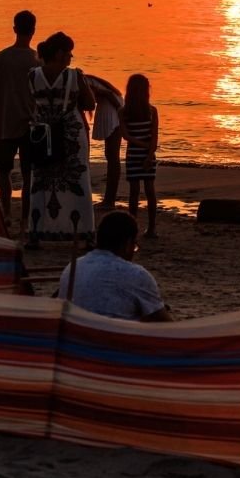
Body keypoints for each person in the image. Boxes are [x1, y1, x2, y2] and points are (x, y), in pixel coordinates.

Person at [27, 31, 96, 247]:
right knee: (78, 182)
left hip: (42, 134)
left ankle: (36, 233)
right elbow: (90, 104)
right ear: (59, 53)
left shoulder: (32, 76)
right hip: (70, 135)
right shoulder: (74, 76)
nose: (70, 57)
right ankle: (85, 233)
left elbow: (30, 103)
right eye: (68, 53)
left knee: (41, 183)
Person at [58, 210, 171, 321]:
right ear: (127, 244)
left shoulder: (73, 268)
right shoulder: (136, 275)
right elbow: (165, 325)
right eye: (134, 246)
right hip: (111, 332)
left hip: (75, 331)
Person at [0, 10, 40, 230]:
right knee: (28, 175)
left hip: (5, 122)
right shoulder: (38, 61)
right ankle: (25, 219)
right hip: (31, 125)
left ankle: (6, 212)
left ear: (15, 28)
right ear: (33, 30)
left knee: (3, 170)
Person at [119, 74, 160, 237]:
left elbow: (127, 136)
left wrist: (148, 152)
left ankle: (144, 227)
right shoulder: (127, 112)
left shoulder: (128, 111)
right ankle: (149, 227)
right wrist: (149, 150)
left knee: (138, 191)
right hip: (144, 153)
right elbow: (152, 137)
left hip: (136, 154)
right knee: (145, 190)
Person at [87, 74, 124, 209]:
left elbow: (107, 94)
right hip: (111, 106)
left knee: (112, 155)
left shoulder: (83, 80)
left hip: (111, 107)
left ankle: (109, 200)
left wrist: (120, 110)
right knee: (111, 154)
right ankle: (109, 199)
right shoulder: (87, 79)